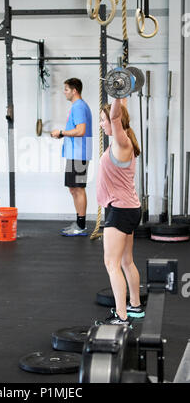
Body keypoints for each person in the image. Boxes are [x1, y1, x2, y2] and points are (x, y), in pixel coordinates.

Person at [96, 99, 145, 326]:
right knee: (126, 261)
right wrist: (121, 93)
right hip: (128, 208)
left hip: (120, 210)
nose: (101, 124)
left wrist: (115, 97)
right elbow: (119, 112)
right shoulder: (123, 141)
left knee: (112, 264)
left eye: (102, 120)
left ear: (114, 121)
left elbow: (116, 116)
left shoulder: (121, 141)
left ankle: (121, 316)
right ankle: (135, 307)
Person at [51, 78, 92, 236]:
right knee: (73, 189)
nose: (64, 92)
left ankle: (81, 226)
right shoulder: (78, 106)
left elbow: (81, 130)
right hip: (75, 153)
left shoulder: (79, 106)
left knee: (78, 189)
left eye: (66, 89)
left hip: (79, 153)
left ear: (74, 91)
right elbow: (77, 130)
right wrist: (64, 135)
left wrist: (61, 132)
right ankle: (79, 222)